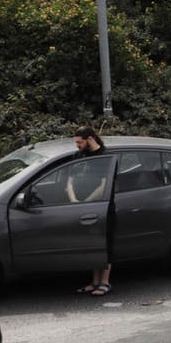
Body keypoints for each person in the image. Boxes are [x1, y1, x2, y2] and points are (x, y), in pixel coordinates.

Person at [67, 127, 115, 297]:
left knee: (104, 244)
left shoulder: (105, 157)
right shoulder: (78, 156)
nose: (77, 145)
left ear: (90, 139)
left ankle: (105, 282)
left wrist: (86, 202)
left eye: (80, 142)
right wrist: (74, 201)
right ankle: (94, 282)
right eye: (76, 142)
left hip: (102, 207)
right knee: (92, 244)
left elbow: (104, 185)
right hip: (82, 207)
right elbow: (69, 181)